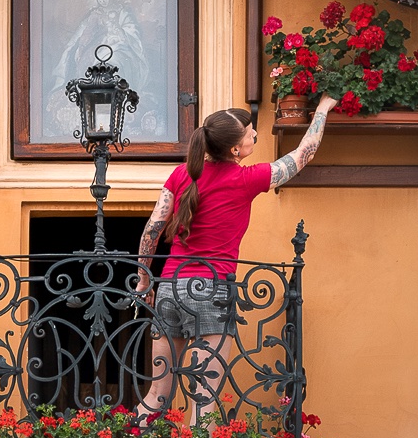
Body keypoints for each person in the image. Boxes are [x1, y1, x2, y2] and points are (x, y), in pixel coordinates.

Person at [132, 97, 338, 420]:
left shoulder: (180, 175)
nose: (255, 135)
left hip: (171, 287)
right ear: (234, 150)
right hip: (212, 291)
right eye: (249, 133)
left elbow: (153, 228)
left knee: (157, 393)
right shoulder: (246, 179)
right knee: (203, 397)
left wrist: (145, 278)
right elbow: (303, 155)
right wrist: (323, 109)